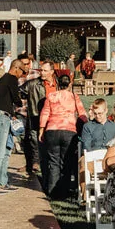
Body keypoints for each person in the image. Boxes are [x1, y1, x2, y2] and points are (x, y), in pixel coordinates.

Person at [37, 61, 86, 199]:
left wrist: (41, 129)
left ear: (58, 83)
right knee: (66, 162)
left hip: (52, 129)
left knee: (53, 161)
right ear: (70, 84)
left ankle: (52, 191)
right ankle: (64, 192)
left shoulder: (51, 96)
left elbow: (45, 113)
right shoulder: (74, 97)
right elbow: (82, 114)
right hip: (69, 130)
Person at [0, 57, 25, 193]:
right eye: (22, 71)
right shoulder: (11, 79)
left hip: (1, 116)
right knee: (0, 152)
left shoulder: (3, 80)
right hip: (1, 118)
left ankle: (3, 181)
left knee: (7, 151)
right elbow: (16, 99)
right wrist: (22, 101)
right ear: (16, 68)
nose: (22, 75)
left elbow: (5, 99)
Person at [18, 56, 46, 183]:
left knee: (34, 138)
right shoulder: (16, 76)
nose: (26, 66)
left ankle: (36, 162)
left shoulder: (35, 75)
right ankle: (29, 164)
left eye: (27, 63)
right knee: (24, 139)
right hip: (20, 111)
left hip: (33, 111)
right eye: (23, 64)